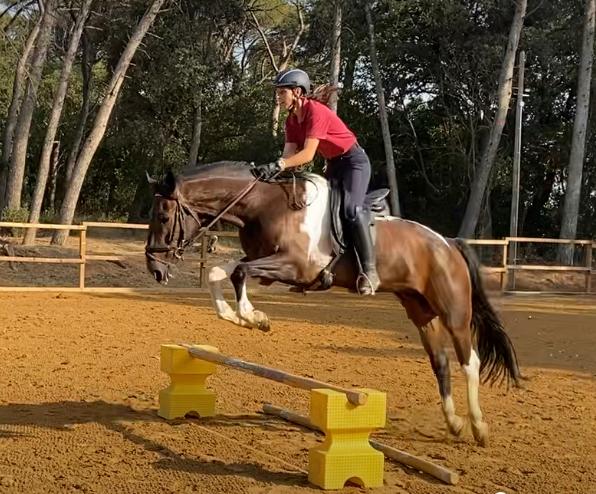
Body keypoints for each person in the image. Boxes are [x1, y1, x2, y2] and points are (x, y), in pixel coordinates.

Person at [254, 68, 380, 295]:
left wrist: (280, 165)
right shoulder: (291, 121)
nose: (278, 97)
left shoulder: (316, 112)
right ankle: (321, 273)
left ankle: (370, 271)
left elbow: (308, 154)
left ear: (297, 92)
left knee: (351, 211)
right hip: (333, 164)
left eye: (282, 93)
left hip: (354, 162)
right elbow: (289, 155)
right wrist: (271, 170)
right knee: (321, 213)